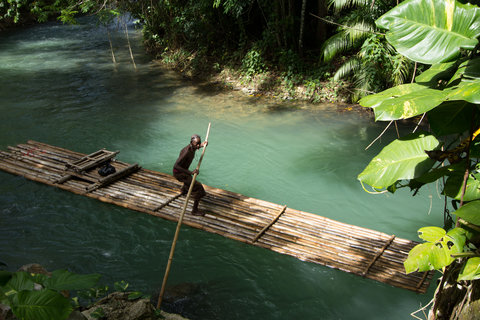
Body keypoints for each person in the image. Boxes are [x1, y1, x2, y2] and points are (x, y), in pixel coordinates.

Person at [173, 134, 208, 216]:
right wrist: (191, 172)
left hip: (184, 173)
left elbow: (197, 146)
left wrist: (203, 145)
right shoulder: (186, 152)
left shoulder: (193, 147)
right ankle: (194, 211)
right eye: (197, 144)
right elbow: (176, 166)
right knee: (200, 189)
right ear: (191, 143)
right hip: (179, 174)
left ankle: (184, 189)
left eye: (199, 143)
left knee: (189, 180)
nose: (198, 145)